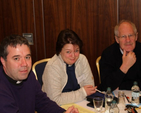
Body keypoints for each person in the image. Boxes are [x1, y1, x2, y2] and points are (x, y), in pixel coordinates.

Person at [0, 35, 79, 113]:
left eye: (27, 57)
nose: (24, 64)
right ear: (3, 61)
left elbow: (42, 102)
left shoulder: (28, 75)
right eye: (16, 58)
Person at [42, 29, 97, 105]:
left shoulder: (82, 59)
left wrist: (84, 92)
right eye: (68, 52)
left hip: (80, 103)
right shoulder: (52, 67)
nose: (73, 56)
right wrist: (83, 92)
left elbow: (90, 88)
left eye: (76, 50)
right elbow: (54, 99)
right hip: (58, 107)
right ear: (60, 51)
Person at [98, 20, 141, 91]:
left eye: (130, 35)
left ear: (136, 36)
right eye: (123, 36)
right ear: (117, 39)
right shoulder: (108, 54)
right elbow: (106, 86)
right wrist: (125, 66)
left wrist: (121, 86)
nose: (128, 40)